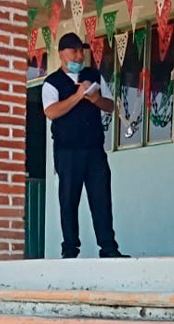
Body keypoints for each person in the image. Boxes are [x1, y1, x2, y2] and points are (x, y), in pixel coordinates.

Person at [42, 32, 127, 259]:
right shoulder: (51, 83)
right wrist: (78, 96)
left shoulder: (93, 76)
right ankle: (70, 249)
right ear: (62, 54)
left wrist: (95, 99)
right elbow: (51, 111)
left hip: (94, 149)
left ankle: (108, 248)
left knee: (101, 197)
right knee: (68, 199)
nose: (79, 56)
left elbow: (110, 106)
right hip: (67, 151)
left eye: (82, 51)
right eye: (74, 51)